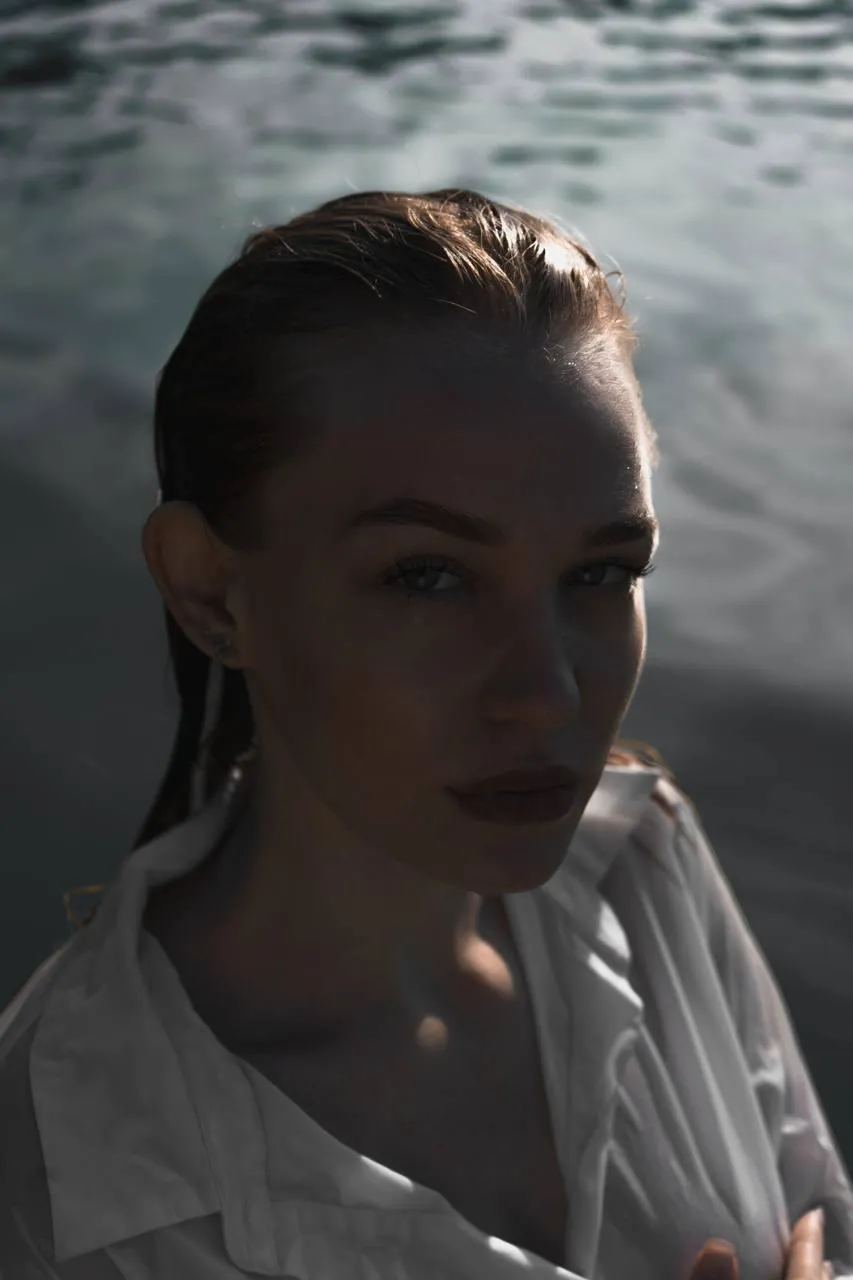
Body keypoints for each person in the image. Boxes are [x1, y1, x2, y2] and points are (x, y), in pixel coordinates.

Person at [0, 189, 850, 1280]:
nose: (545, 694)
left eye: (600, 572)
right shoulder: (59, 1186)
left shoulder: (642, 860)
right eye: (428, 576)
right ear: (212, 592)